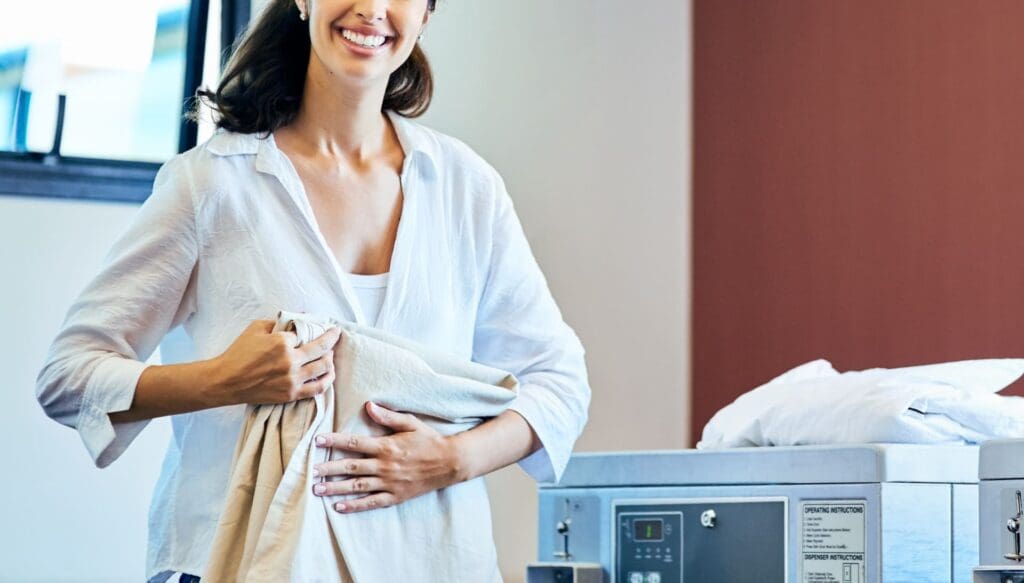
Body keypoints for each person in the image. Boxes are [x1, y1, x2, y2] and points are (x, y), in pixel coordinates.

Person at [35, 0, 591, 581]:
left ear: (427, 12)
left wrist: (450, 460)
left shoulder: (466, 187)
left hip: (426, 562)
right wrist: (224, 380)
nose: (372, 9)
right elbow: (68, 377)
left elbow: (560, 383)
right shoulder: (212, 183)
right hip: (237, 561)